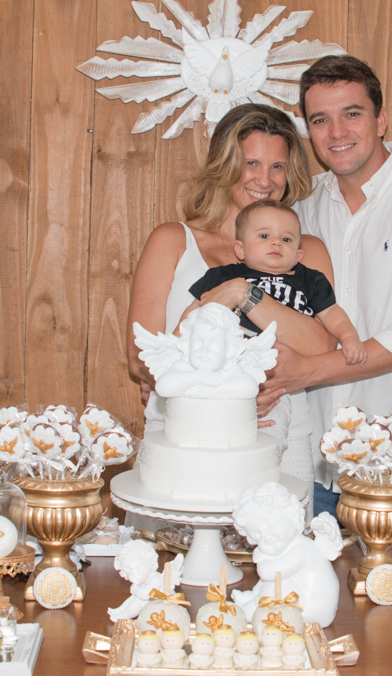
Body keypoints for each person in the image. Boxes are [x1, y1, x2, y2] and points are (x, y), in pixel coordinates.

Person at [261, 55, 392, 516]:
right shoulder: (301, 210)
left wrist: (306, 371)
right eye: (320, 119)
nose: (336, 132)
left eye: (351, 114)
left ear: (381, 119)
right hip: (318, 463)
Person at [127, 104, 338, 490]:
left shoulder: (304, 250)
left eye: (278, 166)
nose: (266, 179)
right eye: (252, 163)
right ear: (224, 166)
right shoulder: (174, 241)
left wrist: (244, 294)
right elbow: (142, 357)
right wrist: (226, 390)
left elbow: (323, 344)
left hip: (280, 425)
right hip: (184, 431)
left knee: (277, 543)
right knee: (171, 545)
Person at [181, 199, 365, 367]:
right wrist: (175, 347)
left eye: (286, 239)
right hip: (227, 361)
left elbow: (332, 313)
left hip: (280, 370)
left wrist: (349, 337)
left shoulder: (311, 280)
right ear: (241, 249)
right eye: (264, 236)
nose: (276, 242)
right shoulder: (223, 275)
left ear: (297, 256)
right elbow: (196, 309)